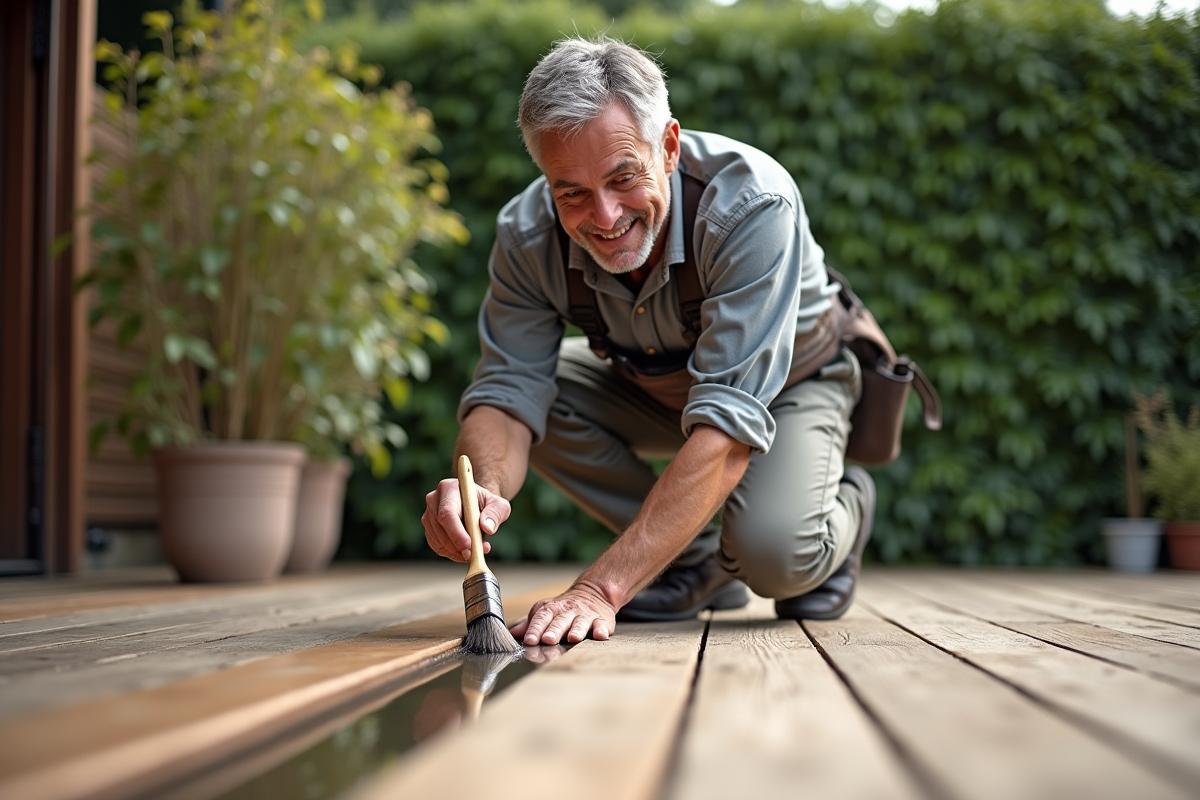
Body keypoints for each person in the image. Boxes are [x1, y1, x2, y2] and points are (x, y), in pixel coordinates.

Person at [421, 36, 876, 647]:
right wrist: (483, 488)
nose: (604, 217)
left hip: (789, 386)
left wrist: (601, 588)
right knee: (536, 398)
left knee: (773, 556)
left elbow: (729, 420)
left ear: (667, 146)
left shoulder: (751, 204)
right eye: (571, 192)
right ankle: (700, 560)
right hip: (651, 384)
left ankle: (846, 502)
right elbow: (507, 389)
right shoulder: (525, 235)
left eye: (623, 178)